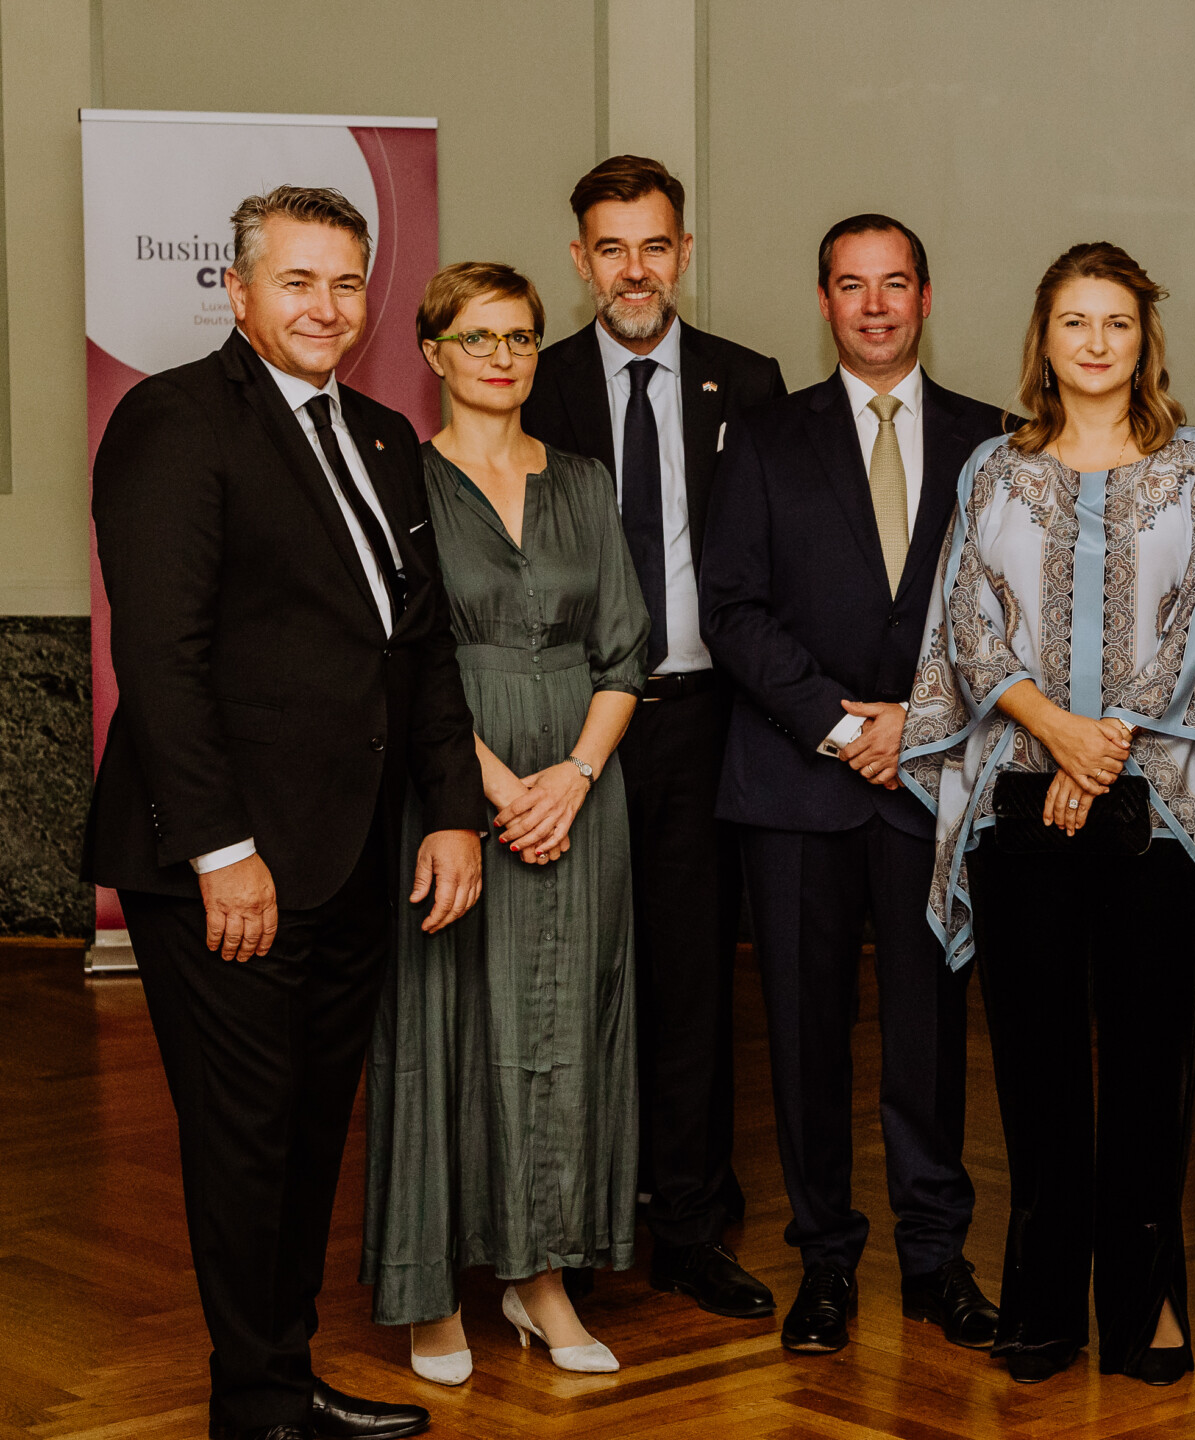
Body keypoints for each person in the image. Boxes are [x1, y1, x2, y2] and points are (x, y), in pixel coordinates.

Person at [84, 185, 482, 1440]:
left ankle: (284, 1378)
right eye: (298, 281)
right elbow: (160, 660)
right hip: (227, 867)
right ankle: (251, 1403)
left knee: (311, 1134)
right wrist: (224, 853)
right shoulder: (173, 421)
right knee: (247, 1139)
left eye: (347, 282)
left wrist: (455, 812)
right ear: (238, 291)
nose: (326, 306)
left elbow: (415, 651)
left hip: (352, 851)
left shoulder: (377, 435)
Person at [899, 241, 1195, 1386]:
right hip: (1024, 811)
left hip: (1157, 816)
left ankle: (1146, 1302)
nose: (1097, 342)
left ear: (1142, 339)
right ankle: (1042, 1302)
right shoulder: (991, 471)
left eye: (1116, 321)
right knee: (1034, 1067)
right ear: (1045, 338)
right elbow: (969, 626)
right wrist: (1057, 736)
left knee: (1152, 1068)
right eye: (1076, 321)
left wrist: (1102, 741)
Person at [699, 214, 1008, 1355]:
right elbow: (729, 606)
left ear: (927, 297)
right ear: (822, 301)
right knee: (803, 1035)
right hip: (793, 782)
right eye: (849, 286)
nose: (873, 305)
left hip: (933, 784)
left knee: (931, 1041)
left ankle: (936, 1262)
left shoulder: (993, 443)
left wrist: (913, 725)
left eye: (894, 284)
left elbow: (1007, 622)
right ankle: (824, 1262)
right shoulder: (763, 437)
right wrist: (839, 724)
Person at [360, 263, 646, 1384]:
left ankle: (540, 1280)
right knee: (442, 1026)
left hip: (584, 789)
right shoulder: (400, 484)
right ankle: (431, 1291)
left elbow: (624, 651)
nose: (501, 358)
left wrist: (572, 775)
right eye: (476, 338)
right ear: (431, 353)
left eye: (521, 338)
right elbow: (399, 660)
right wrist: (488, 783)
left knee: (566, 1030)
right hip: (451, 787)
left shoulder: (582, 478)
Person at [516, 154, 787, 1320]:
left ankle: (685, 1224)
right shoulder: (538, 381)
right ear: (580, 260)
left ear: (685, 252)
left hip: (701, 725)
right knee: (566, 981)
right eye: (611, 247)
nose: (636, 268)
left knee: (688, 985)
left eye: (656, 244)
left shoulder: (750, 381)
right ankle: (569, 1232)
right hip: (567, 729)